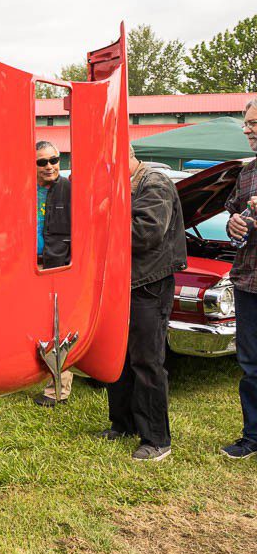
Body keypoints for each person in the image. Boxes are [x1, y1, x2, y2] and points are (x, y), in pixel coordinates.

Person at [97, 145, 186, 461]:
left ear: (127, 159)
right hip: (125, 284)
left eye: (109, 165)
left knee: (147, 362)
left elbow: (147, 232)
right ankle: (123, 424)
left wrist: (104, 221)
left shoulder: (155, 182)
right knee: (119, 358)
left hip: (149, 284)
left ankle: (157, 440)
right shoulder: (127, 184)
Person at [221, 99, 257, 459]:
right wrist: (233, 224)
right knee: (250, 364)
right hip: (249, 281)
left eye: (252, 123)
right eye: (246, 124)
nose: (247, 129)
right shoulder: (247, 172)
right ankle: (253, 435)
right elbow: (234, 211)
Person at [33, 141, 74, 407]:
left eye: (54, 160)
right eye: (42, 162)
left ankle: (57, 389)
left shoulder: (69, 189)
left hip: (57, 266)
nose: (49, 166)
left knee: (58, 325)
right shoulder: (24, 190)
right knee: (32, 324)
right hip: (27, 266)